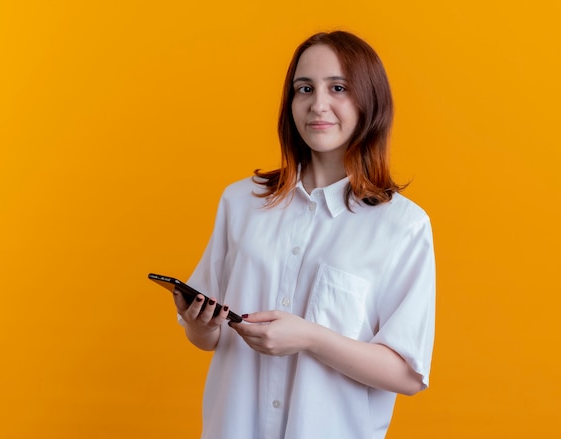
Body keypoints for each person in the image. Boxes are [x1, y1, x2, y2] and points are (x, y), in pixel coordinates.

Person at [173, 30, 436, 439]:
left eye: (338, 88)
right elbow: (207, 338)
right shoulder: (240, 202)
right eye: (304, 88)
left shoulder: (402, 226)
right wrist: (201, 324)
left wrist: (311, 338)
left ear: (370, 100)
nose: (318, 104)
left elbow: (407, 373)